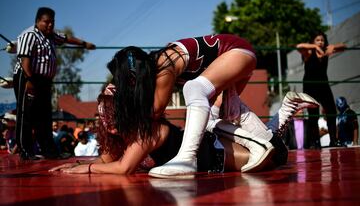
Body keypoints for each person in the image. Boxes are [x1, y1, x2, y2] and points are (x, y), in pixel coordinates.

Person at [49, 84, 318, 175]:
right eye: (103, 113)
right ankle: (228, 114)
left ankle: (285, 108)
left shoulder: (147, 131)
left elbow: (121, 169)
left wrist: (86, 168)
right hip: (211, 142)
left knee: (278, 155)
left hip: (218, 154)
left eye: (112, 112)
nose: (106, 120)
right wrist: (74, 165)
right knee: (224, 120)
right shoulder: (123, 135)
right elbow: (106, 160)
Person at [13, 7, 96, 160]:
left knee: (44, 116)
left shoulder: (50, 35)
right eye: (46, 22)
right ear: (38, 21)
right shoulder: (29, 35)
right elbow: (25, 61)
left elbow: (67, 39)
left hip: (44, 81)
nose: (50, 25)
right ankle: (25, 151)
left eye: (52, 22)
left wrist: (84, 44)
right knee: (26, 114)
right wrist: (30, 81)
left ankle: (49, 151)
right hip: (28, 77)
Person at [296, 32, 346, 148]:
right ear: (313, 42)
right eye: (317, 40)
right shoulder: (309, 52)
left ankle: (334, 140)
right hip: (310, 86)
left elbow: (344, 46)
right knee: (313, 114)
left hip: (324, 84)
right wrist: (315, 47)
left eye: (322, 40)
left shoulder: (326, 51)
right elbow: (298, 46)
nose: (320, 42)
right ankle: (315, 142)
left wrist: (333, 47)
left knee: (331, 111)